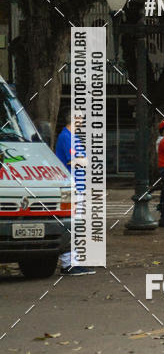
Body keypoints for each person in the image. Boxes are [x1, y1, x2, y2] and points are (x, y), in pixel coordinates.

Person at [55, 115, 96, 276]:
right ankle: (68, 263)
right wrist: (83, 160)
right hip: (69, 187)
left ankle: (74, 261)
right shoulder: (66, 137)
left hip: (76, 187)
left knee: (75, 225)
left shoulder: (73, 137)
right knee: (70, 224)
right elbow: (74, 161)